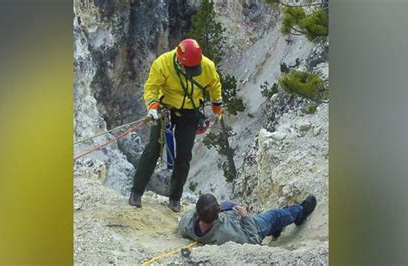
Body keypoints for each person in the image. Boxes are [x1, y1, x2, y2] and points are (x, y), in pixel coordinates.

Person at [129, 39, 223, 212]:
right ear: (180, 61)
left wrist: (217, 105)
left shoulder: (207, 66)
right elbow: (151, 87)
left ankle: (175, 198)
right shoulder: (163, 64)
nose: (192, 72)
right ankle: (136, 192)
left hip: (189, 111)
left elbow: (214, 84)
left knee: (184, 155)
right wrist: (152, 106)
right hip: (165, 109)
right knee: (153, 149)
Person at [178, 194, 317, 245]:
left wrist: (223, 209)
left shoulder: (187, 223)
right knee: (275, 215)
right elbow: (253, 240)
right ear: (218, 212)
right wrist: (244, 216)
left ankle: (276, 229)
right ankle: (301, 212)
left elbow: (193, 215)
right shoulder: (225, 233)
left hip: (228, 218)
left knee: (230, 204)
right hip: (252, 227)